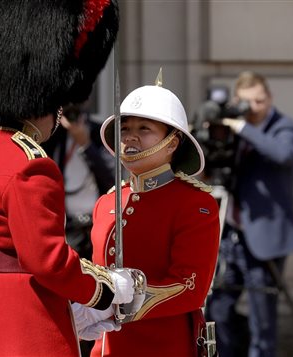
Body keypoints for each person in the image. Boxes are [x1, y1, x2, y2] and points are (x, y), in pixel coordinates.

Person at [0, 1, 144, 356]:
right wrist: (107, 289)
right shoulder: (31, 163)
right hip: (23, 316)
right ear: (42, 102)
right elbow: (47, 259)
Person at [87, 80, 221, 356]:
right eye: (124, 129)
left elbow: (190, 287)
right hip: (107, 346)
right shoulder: (106, 202)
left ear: (172, 142)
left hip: (165, 345)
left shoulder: (196, 204)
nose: (130, 137)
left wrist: (123, 301)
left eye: (144, 129)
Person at [205, 71, 293, 357]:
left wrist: (242, 128)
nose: (255, 107)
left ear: (269, 98)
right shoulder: (235, 131)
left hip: (264, 238)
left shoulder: (283, 127)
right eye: (248, 102)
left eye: (260, 100)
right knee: (217, 308)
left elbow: (282, 154)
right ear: (237, 100)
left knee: (263, 318)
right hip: (230, 234)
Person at [42, 103, 115, 261]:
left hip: (96, 225)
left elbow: (111, 178)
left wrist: (86, 144)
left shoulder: (99, 132)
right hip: (68, 226)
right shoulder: (54, 137)